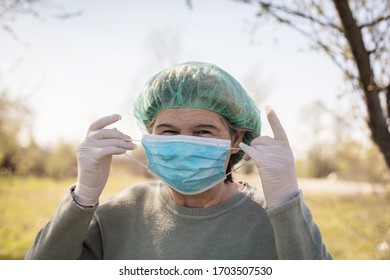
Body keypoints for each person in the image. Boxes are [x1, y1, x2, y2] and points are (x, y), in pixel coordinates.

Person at [25, 61, 332, 260]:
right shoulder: (121, 213)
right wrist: (83, 197)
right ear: (149, 135)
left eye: (204, 131)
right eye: (168, 131)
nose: (184, 144)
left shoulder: (273, 220)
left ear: (236, 139)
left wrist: (287, 203)